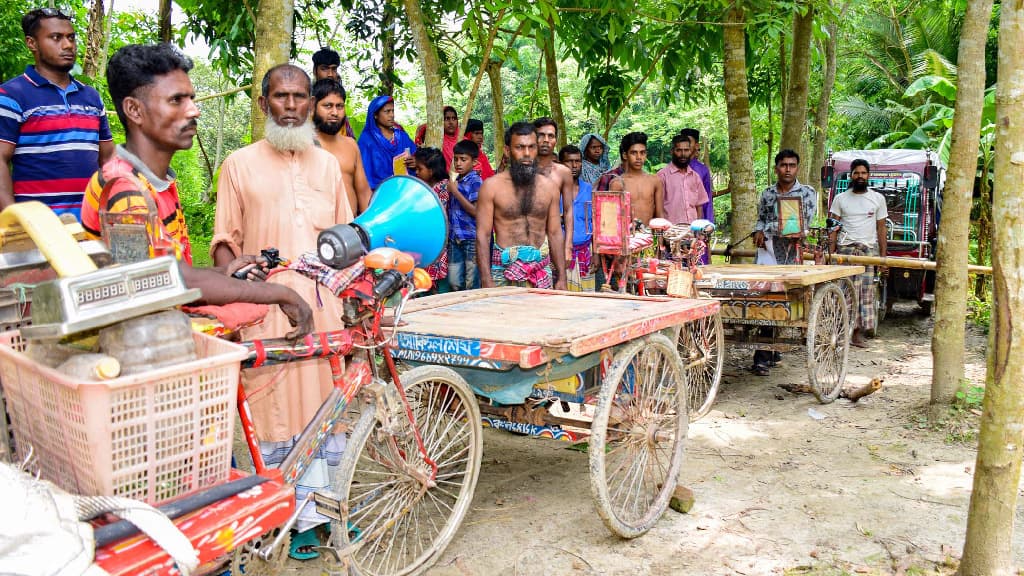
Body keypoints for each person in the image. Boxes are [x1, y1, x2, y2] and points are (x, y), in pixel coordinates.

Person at [212, 63, 352, 557]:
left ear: (311, 103)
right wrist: (238, 272)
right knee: (275, 416)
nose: (290, 106)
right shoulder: (238, 163)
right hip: (267, 311)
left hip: (323, 307)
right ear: (263, 103)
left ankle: (328, 510)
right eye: (280, 96)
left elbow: (345, 237)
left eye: (299, 97)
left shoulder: (328, 165)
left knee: (326, 409)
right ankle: (290, 517)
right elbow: (223, 244)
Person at [80, 44, 312, 336]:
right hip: (134, 351)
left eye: (191, 98)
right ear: (134, 110)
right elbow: (164, 279)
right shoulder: (124, 189)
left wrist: (224, 272)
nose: (194, 110)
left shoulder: (153, 182)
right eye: (176, 100)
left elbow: (167, 269)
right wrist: (282, 294)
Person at [0, 8, 115, 218]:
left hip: (90, 224)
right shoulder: (12, 95)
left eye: (71, 38)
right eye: (56, 38)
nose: (68, 45)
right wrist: (13, 220)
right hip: (38, 229)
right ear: (31, 43)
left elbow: (108, 159)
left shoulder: (91, 97)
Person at [477, 122, 567, 290]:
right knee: (503, 316)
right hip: (502, 271)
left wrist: (562, 277)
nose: (527, 153)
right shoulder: (491, 187)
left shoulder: (550, 187)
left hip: (540, 268)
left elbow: (555, 233)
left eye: (531, 147)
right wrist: (485, 278)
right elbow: (483, 235)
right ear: (507, 150)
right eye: (519, 147)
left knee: (542, 317)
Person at [751, 149, 818, 376]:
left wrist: (767, 229)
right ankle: (763, 354)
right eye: (783, 165)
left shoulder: (808, 193)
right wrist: (758, 231)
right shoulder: (767, 193)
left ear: (797, 168)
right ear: (776, 168)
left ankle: (771, 349)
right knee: (765, 298)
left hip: (791, 253)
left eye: (791, 165)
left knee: (784, 300)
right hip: (767, 251)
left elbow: (799, 225)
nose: (787, 169)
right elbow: (761, 218)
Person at [829, 158, 888, 346]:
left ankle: (857, 334)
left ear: (868, 175)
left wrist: (883, 258)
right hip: (845, 250)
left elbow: (881, 229)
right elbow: (833, 228)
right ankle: (842, 333)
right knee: (844, 291)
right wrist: (830, 255)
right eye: (856, 173)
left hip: (867, 252)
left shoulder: (877, 199)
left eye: (863, 173)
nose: (860, 176)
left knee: (865, 294)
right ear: (851, 175)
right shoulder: (840, 199)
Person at [312, 79, 371, 214]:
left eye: (339, 106)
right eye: (328, 106)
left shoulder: (351, 145)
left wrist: (369, 229)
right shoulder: (302, 145)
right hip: (315, 230)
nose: (335, 112)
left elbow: (363, 192)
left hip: (349, 230)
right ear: (312, 106)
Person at [533, 117, 574, 266]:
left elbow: (569, 210)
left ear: (556, 140)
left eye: (551, 136)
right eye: (541, 135)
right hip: (529, 241)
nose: (546, 140)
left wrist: (568, 245)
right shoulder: (523, 170)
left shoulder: (563, 173)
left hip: (555, 240)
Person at [597, 132, 663, 225]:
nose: (639, 157)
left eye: (642, 153)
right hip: (627, 237)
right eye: (633, 153)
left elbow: (660, 215)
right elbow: (611, 219)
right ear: (625, 155)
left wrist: (659, 238)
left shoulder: (655, 181)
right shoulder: (617, 183)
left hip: (650, 235)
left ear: (646, 154)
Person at [358, 95, 416, 190]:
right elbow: (363, 172)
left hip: (403, 191)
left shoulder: (402, 136)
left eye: (393, 111)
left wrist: (415, 161)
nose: (392, 115)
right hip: (377, 194)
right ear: (375, 115)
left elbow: (417, 157)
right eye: (387, 112)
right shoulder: (367, 140)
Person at [413, 146, 451, 293]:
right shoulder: (424, 188)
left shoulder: (442, 188)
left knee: (440, 286)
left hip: (440, 243)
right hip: (427, 242)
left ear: (431, 170)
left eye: (419, 169)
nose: (416, 172)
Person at [558, 144, 594, 292]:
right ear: (560, 164)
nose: (574, 165)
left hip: (586, 251)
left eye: (578, 161)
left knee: (587, 301)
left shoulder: (588, 189)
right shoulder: (553, 190)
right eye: (569, 161)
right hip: (560, 255)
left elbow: (595, 222)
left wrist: (596, 253)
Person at [448, 139, 482, 291]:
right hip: (455, 239)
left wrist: (455, 192)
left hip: (471, 239)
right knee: (454, 281)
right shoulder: (456, 181)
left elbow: (476, 211)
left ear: (474, 162)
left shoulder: (475, 181)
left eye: (463, 159)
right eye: (456, 159)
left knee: (471, 281)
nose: (458, 163)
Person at [657, 134, 707, 225]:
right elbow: (657, 207)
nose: (683, 154)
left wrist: (698, 230)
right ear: (672, 151)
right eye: (679, 150)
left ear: (690, 151)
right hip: (671, 233)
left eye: (686, 150)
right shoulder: (662, 176)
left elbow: (699, 206)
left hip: (692, 233)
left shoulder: (695, 176)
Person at [310, 47, 353, 138]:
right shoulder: (305, 97)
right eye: (324, 69)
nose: (330, 74)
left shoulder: (339, 95)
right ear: (315, 71)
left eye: (333, 69)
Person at [680, 128, 714, 223]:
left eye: (689, 142)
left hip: (697, 225)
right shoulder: (669, 171)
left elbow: (708, 201)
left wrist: (709, 225)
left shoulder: (703, 171)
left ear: (696, 145)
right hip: (676, 227)